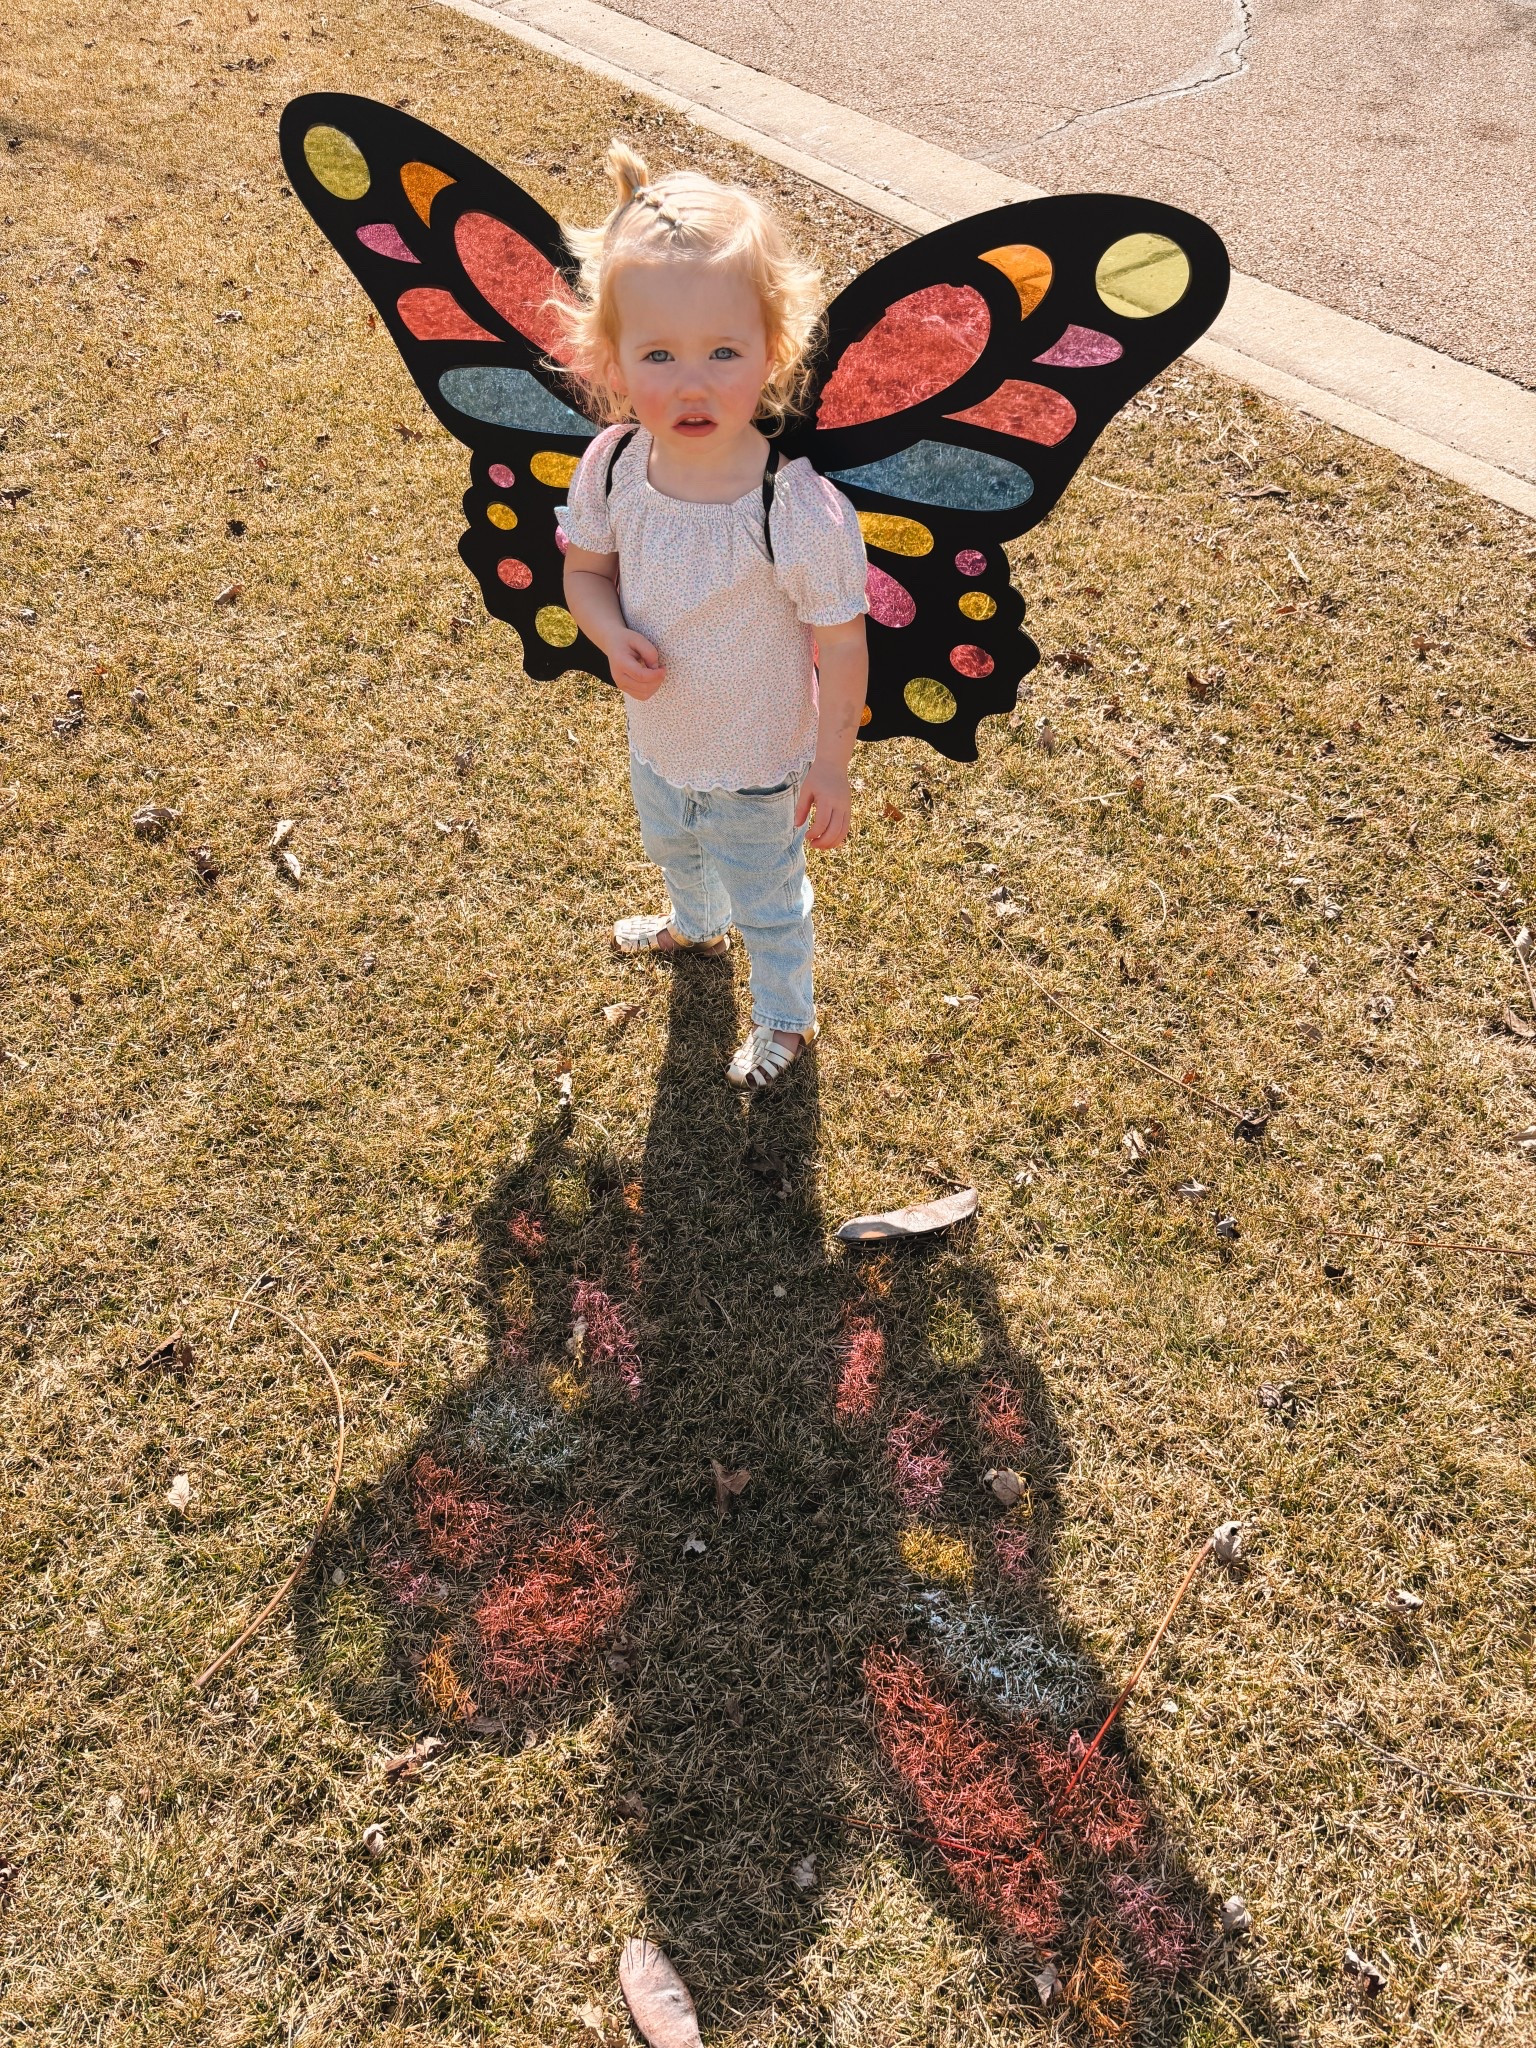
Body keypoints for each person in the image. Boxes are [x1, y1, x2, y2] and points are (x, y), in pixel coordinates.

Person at [557, 143, 869, 1091]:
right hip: (659, 738)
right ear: (611, 363)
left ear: (773, 352)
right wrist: (611, 636)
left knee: (770, 899)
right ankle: (695, 925)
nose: (692, 385)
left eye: (723, 353)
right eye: (659, 356)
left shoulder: (793, 509)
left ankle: (784, 1016)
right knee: (672, 843)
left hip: (759, 762)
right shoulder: (613, 465)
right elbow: (585, 576)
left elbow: (843, 642)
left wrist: (831, 765)